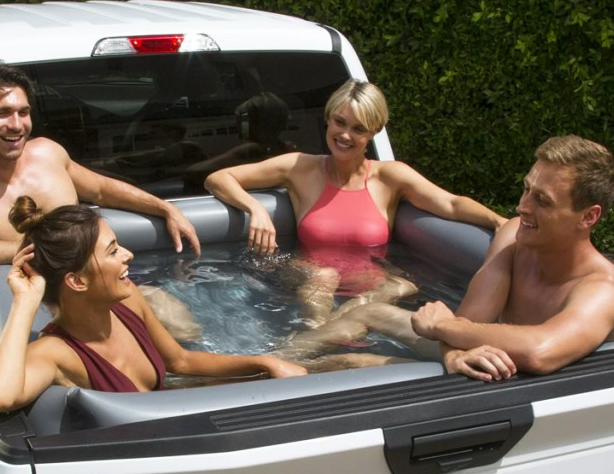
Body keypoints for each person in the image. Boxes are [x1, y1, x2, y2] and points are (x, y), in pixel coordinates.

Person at [0, 62, 202, 339]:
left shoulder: (48, 153)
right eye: (1, 113)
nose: (16, 125)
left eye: (23, 112)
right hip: (58, 313)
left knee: (186, 329)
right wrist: (39, 249)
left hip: (109, 283)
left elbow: (99, 189)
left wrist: (165, 208)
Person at [204, 79, 506, 327]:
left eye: (358, 129)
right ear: (328, 119)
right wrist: (255, 208)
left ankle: (321, 340)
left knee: (403, 285)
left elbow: (451, 204)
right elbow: (218, 178)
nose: (345, 135)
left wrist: (499, 223)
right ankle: (317, 337)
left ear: (373, 132)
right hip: (307, 274)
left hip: (367, 286)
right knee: (326, 275)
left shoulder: (390, 177)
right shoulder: (299, 167)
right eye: (340, 122)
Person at [0, 197, 306, 412]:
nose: (128, 255)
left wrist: (264, 363)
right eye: (112, 251)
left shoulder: (127, 299)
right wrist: (24, 302)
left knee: (333, 365)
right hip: (145, 463)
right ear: (77, 281)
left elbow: (181, 360)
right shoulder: (56, 353)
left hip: (173, 415)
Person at [404, 134, 614, 380]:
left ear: (588, 217)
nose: (522, 206)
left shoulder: (605, 291)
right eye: (526, 189)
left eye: (542, 200)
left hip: (561, 407)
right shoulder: (514, 238)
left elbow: (540, 351)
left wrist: (441, 326)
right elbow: (467, 322)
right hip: (505, 387)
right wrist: (454, 356)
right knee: (365, 331)